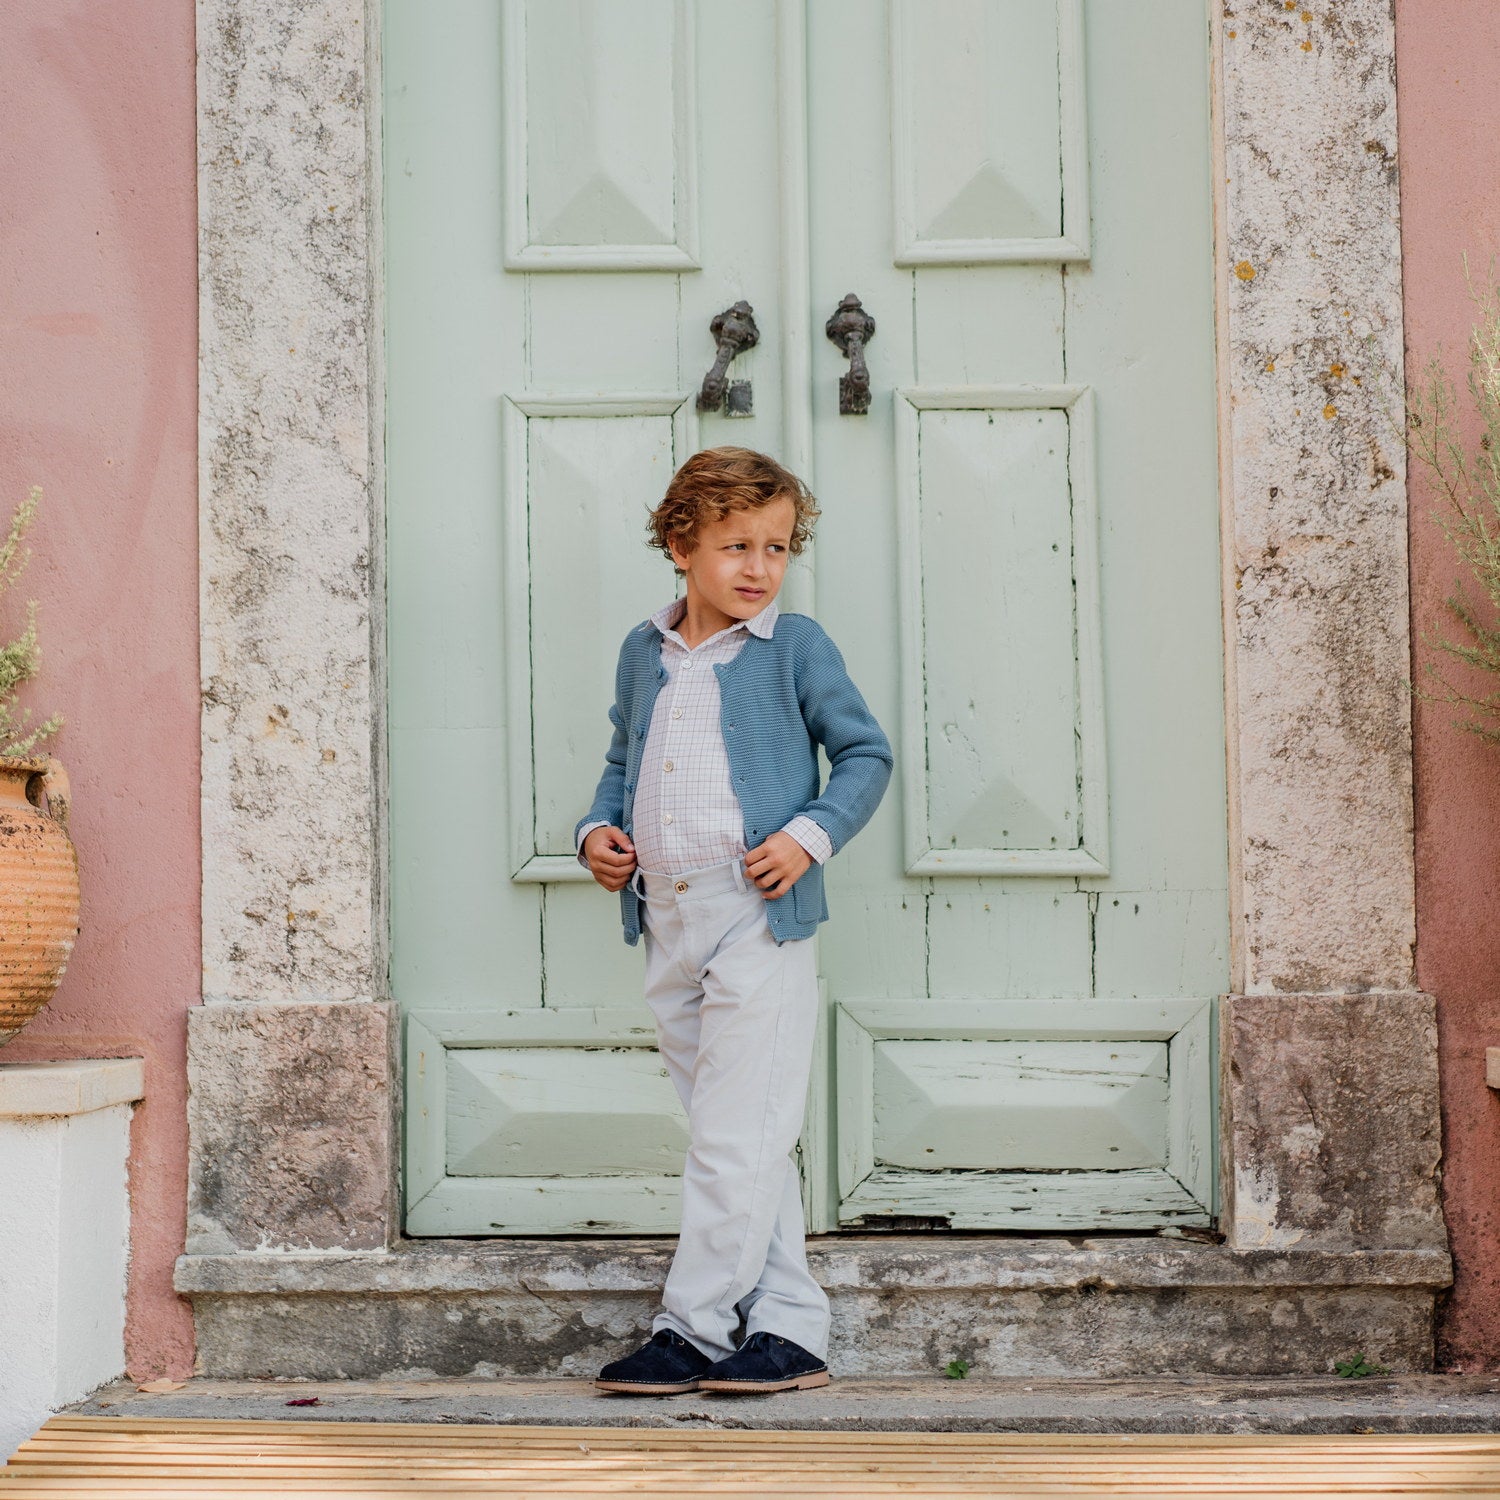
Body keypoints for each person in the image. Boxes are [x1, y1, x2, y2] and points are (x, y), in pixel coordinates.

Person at [575, 445, 893, 1396]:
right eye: (736, 545)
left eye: (778, 547)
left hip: (759, 914)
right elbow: (622, 763)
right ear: (681, 544)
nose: (759, 567)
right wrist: (597, 830)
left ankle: (696, 1327)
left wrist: (810, 835)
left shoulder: (794, 648)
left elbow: (865, 756)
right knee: (742, 1135)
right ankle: (790, 1327)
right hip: (668, 917)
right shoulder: (645, 652)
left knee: (732, 1137)